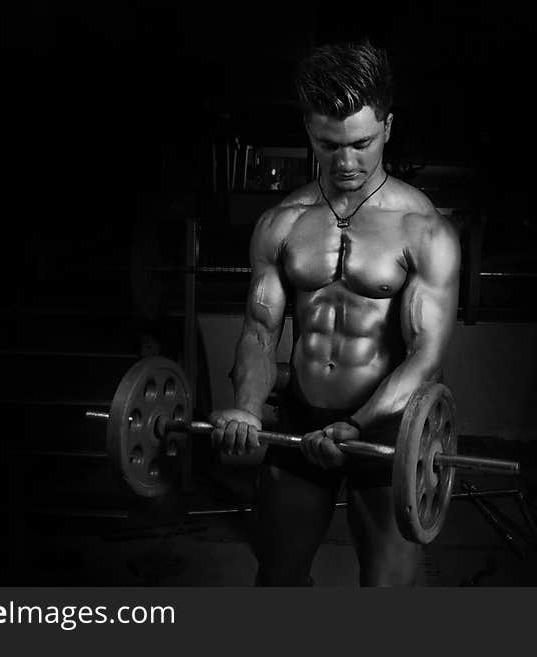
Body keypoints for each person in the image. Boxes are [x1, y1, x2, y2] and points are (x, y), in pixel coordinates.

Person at [209, 40, 460, 586]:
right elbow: (259, 331)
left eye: (362, 143)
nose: (346, 162)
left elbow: (427, 357)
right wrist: (249, 408)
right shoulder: (283, 222)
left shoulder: (423, 228)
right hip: (300, 421)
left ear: (387, 128)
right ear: (309, 132)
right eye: (329, 144)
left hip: (387, 432)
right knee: (277, 579)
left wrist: (357, 424)